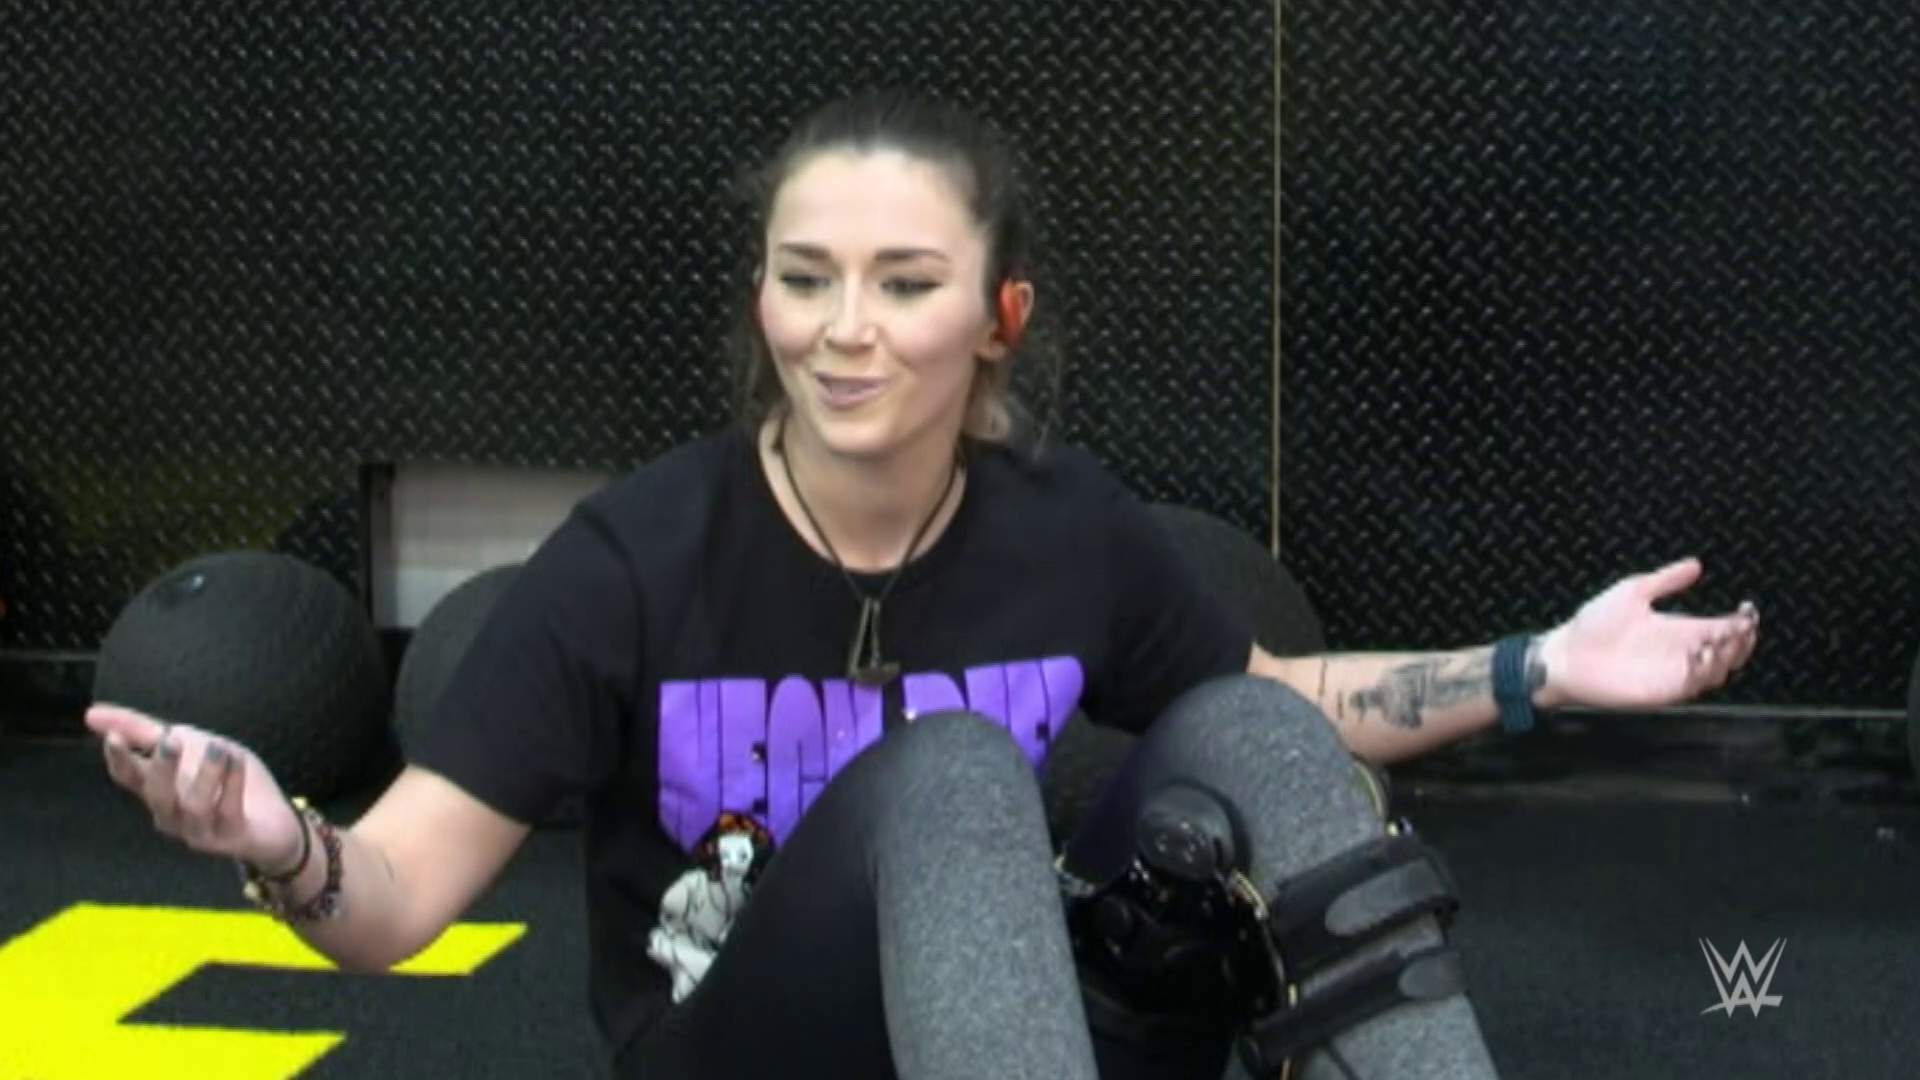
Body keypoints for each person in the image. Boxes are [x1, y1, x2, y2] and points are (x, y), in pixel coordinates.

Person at [87, 90, 1761, 1079]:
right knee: (951, 770)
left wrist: (1537, 668)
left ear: (998, 317)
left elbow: (1290, 706)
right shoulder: (633, 558)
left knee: (1253, 743)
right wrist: (279, 840)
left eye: (903, 282)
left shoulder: (1065, 527)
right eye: (804, 278)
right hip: (749, 1052)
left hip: (1007, 1028)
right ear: (760, 302)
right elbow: (392, 897)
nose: (845, 329)